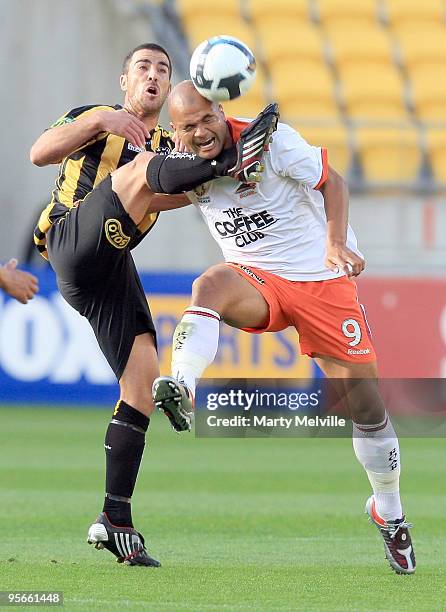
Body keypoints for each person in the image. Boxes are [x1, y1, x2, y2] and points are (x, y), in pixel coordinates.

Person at [152, 80, 416, 575]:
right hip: (255, 277)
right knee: (208, 285)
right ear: (175, 131)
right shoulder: (179, 162)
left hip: (320, 277)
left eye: (208, 119)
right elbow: (150, 192)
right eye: (188, 126)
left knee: (367, 410)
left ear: (219, 109)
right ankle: (182, 382)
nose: (201, 132)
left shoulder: (269, 139)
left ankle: (389, 509)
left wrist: (336, 244)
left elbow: (332, 181)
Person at [30, 47, 274, 567]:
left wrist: (223, 180)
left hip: (111, 263)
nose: (154, 75)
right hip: (70, 239)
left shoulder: (169, 147)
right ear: (124, 80)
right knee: (141, 169)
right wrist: (100, 119)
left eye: (164, 69)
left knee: (141, 380)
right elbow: (40, 153)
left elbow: (170, 193)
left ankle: (115, 517)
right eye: (144, 66)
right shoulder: (94, 119)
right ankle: (232, 156)